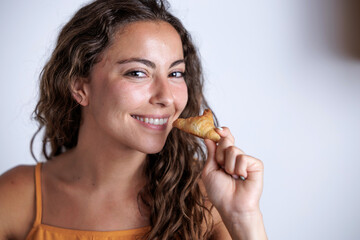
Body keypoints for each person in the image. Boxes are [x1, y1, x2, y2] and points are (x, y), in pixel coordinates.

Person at [0, 0, 267, 239]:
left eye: (175, 73)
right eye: (138, 73)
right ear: (80, 87)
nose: (166, 97)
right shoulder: (17, 197)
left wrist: (242, 218)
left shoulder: (206, 199)